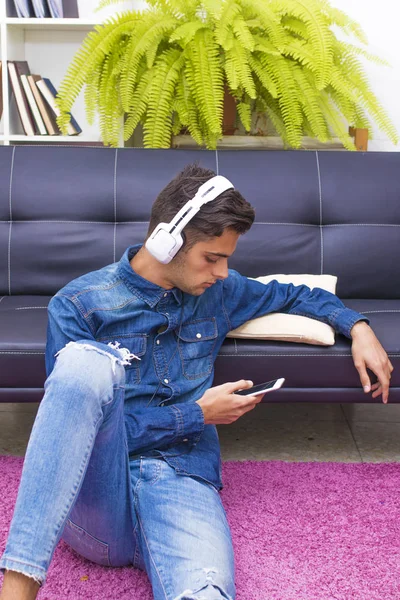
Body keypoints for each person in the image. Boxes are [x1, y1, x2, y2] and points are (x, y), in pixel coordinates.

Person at [0, 164, 393, 600]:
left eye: (227, 259)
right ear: (167, 243)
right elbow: (73, 437)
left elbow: (298, 293)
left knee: (206, 592)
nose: (223, 271)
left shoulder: (219, 292)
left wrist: (358, 328)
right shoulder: (77, 305)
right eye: (213, 257)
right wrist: (197, 415)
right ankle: (17, 589)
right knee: (83, 364)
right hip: (96, 496)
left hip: (180, 479)